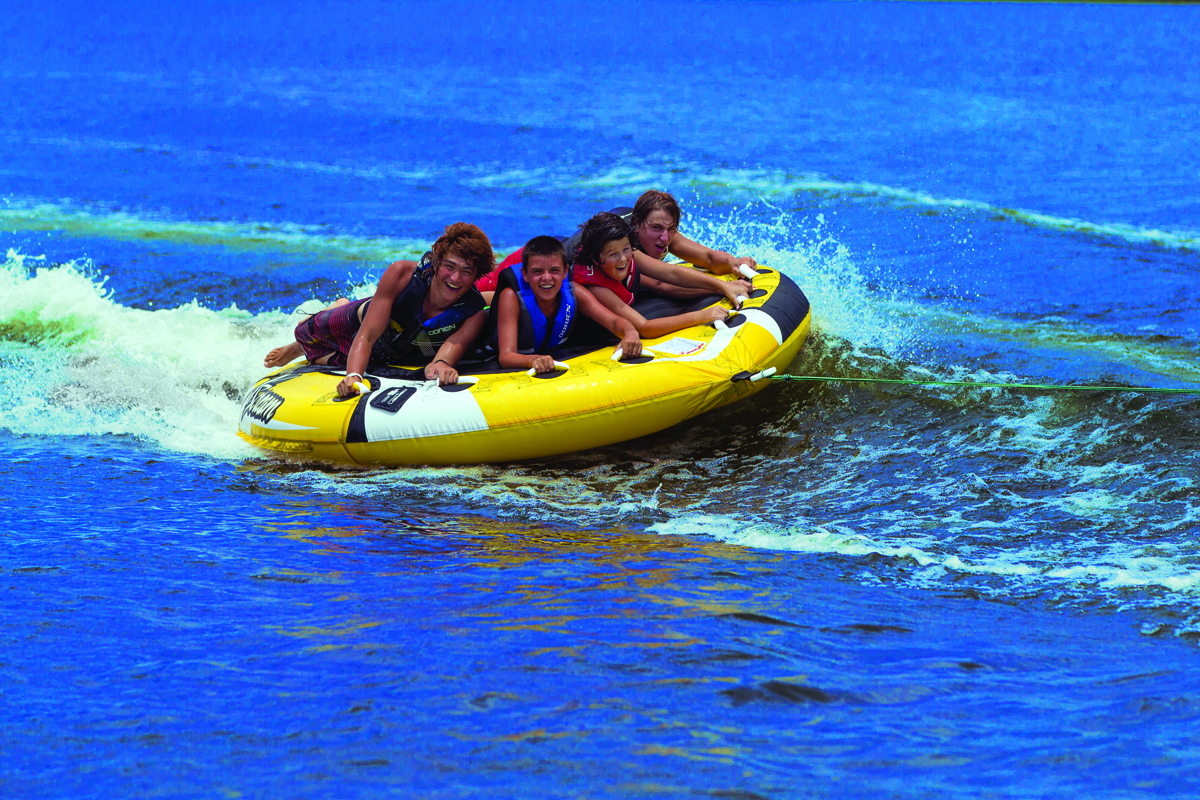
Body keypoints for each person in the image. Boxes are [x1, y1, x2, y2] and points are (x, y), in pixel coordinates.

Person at [263, 222, 495, 397]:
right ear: (436, 263)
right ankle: (302, 340)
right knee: (305, 333)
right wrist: (354, 376)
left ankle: (306, 351)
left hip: (391, 349)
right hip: (359, 321)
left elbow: (442, 359)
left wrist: (442, 368)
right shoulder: (402, 275)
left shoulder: (472, 313)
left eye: (466, 271)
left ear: (476, 276)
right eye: (449, 267)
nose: (455, 278)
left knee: (320, 360)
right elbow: (367, 335)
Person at [476, 189, 757, 299]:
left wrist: (735, 263)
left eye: (671, 230)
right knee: (477, 293)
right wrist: (722, 288)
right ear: (637, 225)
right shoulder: (622, 249)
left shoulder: (659, 232)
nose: (664, 237)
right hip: (534, 262)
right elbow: (663, 282)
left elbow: (707, 257)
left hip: (554, 260)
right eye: (657, 228)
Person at [493, 235, 641, 375]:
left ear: (565, 272)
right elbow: (506, 356)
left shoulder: (574, 292)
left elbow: (614, 322)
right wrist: (533, 360)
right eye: (537, 271)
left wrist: (630, 333)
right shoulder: (511, 298)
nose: (546, 278)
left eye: (554, 270)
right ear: (524, 274)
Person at [571, 212, 735, 337]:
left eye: (626, 250)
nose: (623, 259)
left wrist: (722, 286)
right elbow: (644, 327)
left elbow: (670, 273)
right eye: (613, 254)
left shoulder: (625, 250)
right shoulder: (595, 287)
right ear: (596, 258)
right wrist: (701, 316)